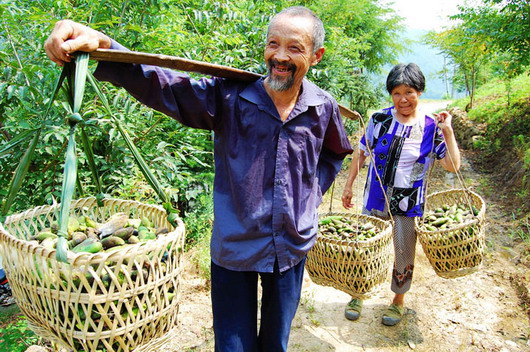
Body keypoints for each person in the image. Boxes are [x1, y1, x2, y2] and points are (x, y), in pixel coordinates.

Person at [45, 6, 353, 351]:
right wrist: (102, 44)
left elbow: (334, 153)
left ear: (316, 55)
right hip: (236, 245)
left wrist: (308, 197)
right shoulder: (230, 96)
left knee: (275, 342)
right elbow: (163, 84)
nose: (280, 56)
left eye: (294, 48)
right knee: (233, 345)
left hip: (291, 244)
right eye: (272, 44)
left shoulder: (322, 106)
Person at [341, 63, 461, 326]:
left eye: (409, 92)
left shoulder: (431, 126)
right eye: (396, 93)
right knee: (366, 246)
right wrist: (349, 185)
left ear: (420, 91)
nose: (402, 99)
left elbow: (452, 166)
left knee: (403, 251)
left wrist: (448, 131)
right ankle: (357, 293)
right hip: (375, 197)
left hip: (408, 203)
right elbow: (361, 152)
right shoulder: (379, 120)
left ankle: (398, 301)